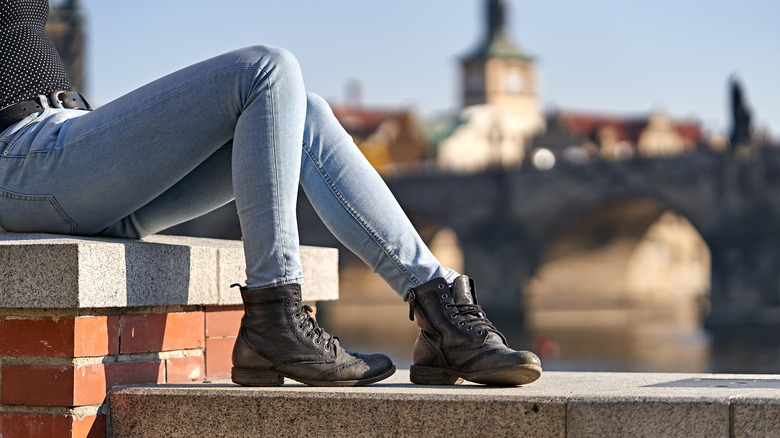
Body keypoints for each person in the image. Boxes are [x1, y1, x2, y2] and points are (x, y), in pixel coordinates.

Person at [0, 0, 541, 387]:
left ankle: (441, 311)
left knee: (303, 111)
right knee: (266, 68)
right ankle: (274, 315)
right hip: (25, 159)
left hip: (69, 160)